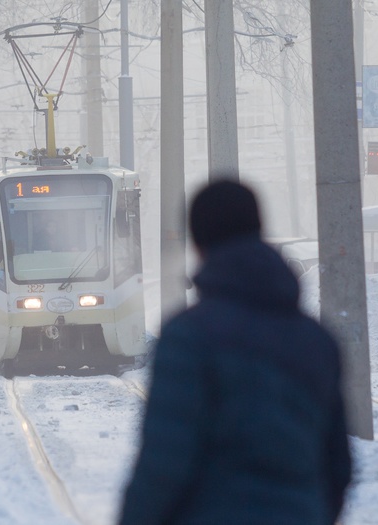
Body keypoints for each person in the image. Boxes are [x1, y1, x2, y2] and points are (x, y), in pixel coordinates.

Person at [119, 179, 351, 525]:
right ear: (259, 227)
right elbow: (337, 466)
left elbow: (164, 463)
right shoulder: (316, 340)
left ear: (198, 243)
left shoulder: (189, 337)